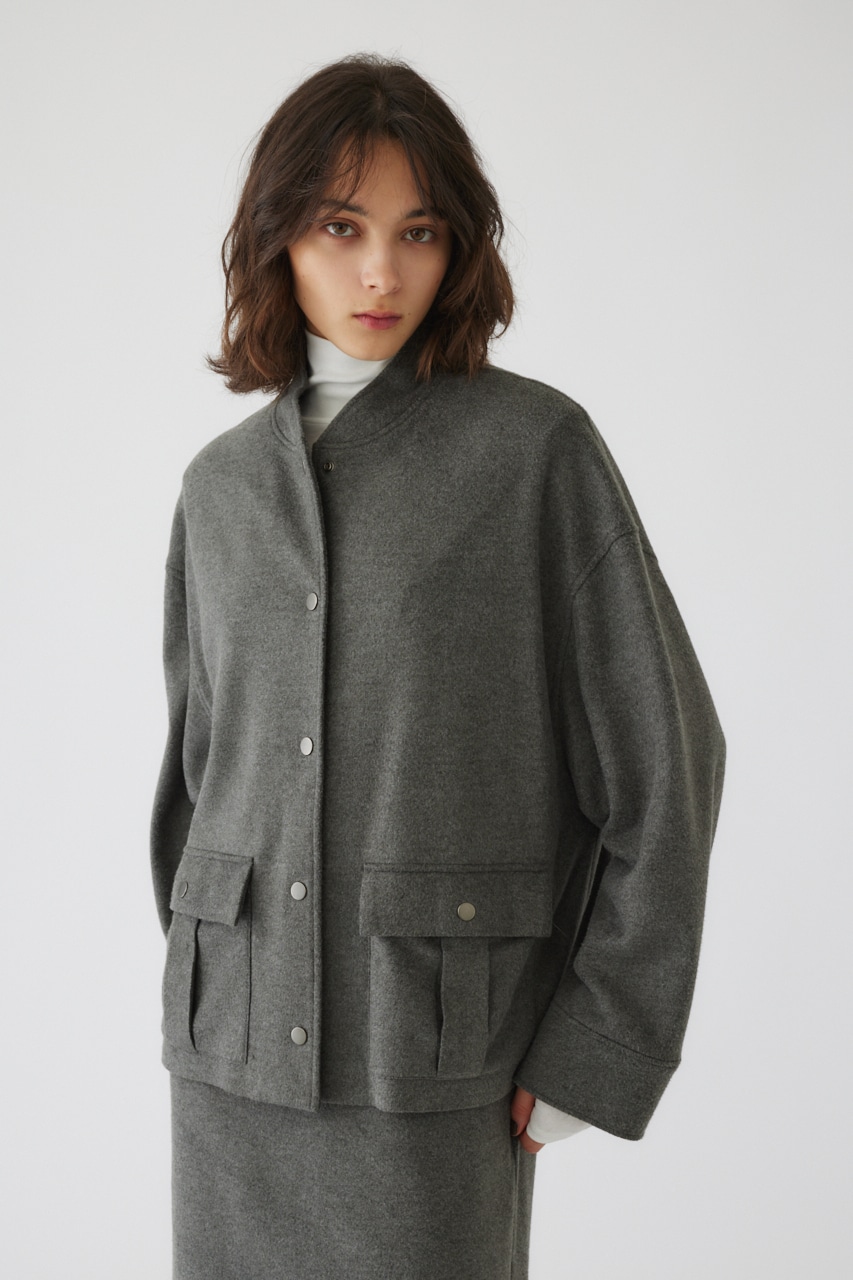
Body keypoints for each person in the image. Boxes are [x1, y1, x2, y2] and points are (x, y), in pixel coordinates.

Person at [151, 52, 726, 1280]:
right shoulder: (219, 488)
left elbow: (667, 763)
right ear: (277, 236)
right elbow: (196, 787)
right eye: (340, 226)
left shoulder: (533, 453)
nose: (381, 271)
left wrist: (598, 1043)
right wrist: (219, 983)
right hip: (230, 1073)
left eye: (417, 232)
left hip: (432, 1058)